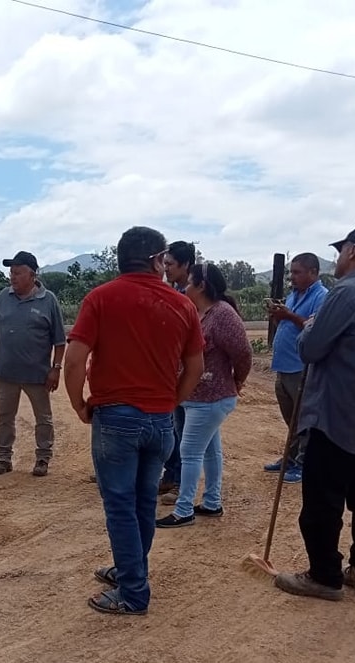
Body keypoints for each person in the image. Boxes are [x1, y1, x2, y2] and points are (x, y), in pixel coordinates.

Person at [64, 226, 205, 615]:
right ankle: (131, 572)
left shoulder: (101, 298)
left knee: (121, 506)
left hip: (116, 419)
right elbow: (196, 366)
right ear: (157, 260)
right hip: (160, 421)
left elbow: (74, 360)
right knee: (143, 502)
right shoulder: (182, 305)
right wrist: (170, 401)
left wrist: (79, 404)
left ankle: (133, 592)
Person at [275, 224, 355, 601]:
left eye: (341, 248)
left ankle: (324, 576)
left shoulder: (345, 292)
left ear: (352, 250)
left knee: (322, 500)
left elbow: (310, 350)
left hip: (333, 414)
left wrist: (310, 326)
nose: (337, 256)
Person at [156, 262, 252, 528]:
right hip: (199, 397)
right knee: (210, 450)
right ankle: (211, 502)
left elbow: (243, 352)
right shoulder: (199, 312)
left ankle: (184, 509)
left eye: (188, 282)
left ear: (201, 286)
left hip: (211, 397)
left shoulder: (222, 314)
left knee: (189, 452)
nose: (184, 286)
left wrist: (237, 380)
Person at [0, 251, 66, 477]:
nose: (12, 276)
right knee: (5, 417)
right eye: (11, 272)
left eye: (18, 272)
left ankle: (43, 458)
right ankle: (3, 458)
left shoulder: (48, 300)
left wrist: (56, 368)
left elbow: (59, 340)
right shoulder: (3, 296)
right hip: (6, 373)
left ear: (32, 275)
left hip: (38, 375)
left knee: (43, 418)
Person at [264, 253, 328, 483]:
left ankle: (304, 463)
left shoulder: (322, 297)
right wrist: (277, 316)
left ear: (313, 272)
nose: (292, 277)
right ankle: (290, 457)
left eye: (297, 272)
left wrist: (288, 315)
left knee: (304, 419)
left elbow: (316, 329)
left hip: (301, 367)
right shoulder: (294, 295)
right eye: (291, 272)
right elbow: (288, 324)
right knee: (291, 418)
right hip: (284, 365)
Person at [158, 240, 197, 499]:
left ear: (185, 265)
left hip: (188, 373)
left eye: (170, 264)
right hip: (172, 371)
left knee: (184, 432)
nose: (165, 268)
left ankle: (182, 482)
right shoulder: (174, 291)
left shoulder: (193, 294)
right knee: (172, 426)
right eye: (164, 263)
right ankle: (171, 475)